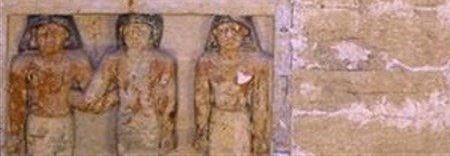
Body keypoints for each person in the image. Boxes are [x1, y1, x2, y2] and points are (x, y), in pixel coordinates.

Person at [75, 14, 177, 156]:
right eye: (129, 31)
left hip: (152, 125)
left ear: (152, 35)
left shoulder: (163, 61)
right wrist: (70, 96)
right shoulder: (114, 59)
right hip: (126, 124)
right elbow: (92, 96)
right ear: (121, 34)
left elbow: (168, 102)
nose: (134, 36)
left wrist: (168, 131)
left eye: (141, 31)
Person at [7, 15, 92, 156]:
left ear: (67, 36)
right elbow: (17, 103)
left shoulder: (77, 62)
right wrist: (15, 135)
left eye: (56, 33)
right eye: (43, 33)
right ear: (34, 35)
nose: (49, 39)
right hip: (38, 123)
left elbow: (90, 99)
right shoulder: (23, 63)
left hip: (64, 122)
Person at [194, 16, 272, 156]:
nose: (229, 35)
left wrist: (260, 136)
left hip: (241, 121)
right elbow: (202, 100)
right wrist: (201, 131)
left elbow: (260, 102)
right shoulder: (206, 62)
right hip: (217, 120)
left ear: (244, 34)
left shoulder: (255, 63)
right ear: (215, 34)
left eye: (236, 30)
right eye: (223, 30)